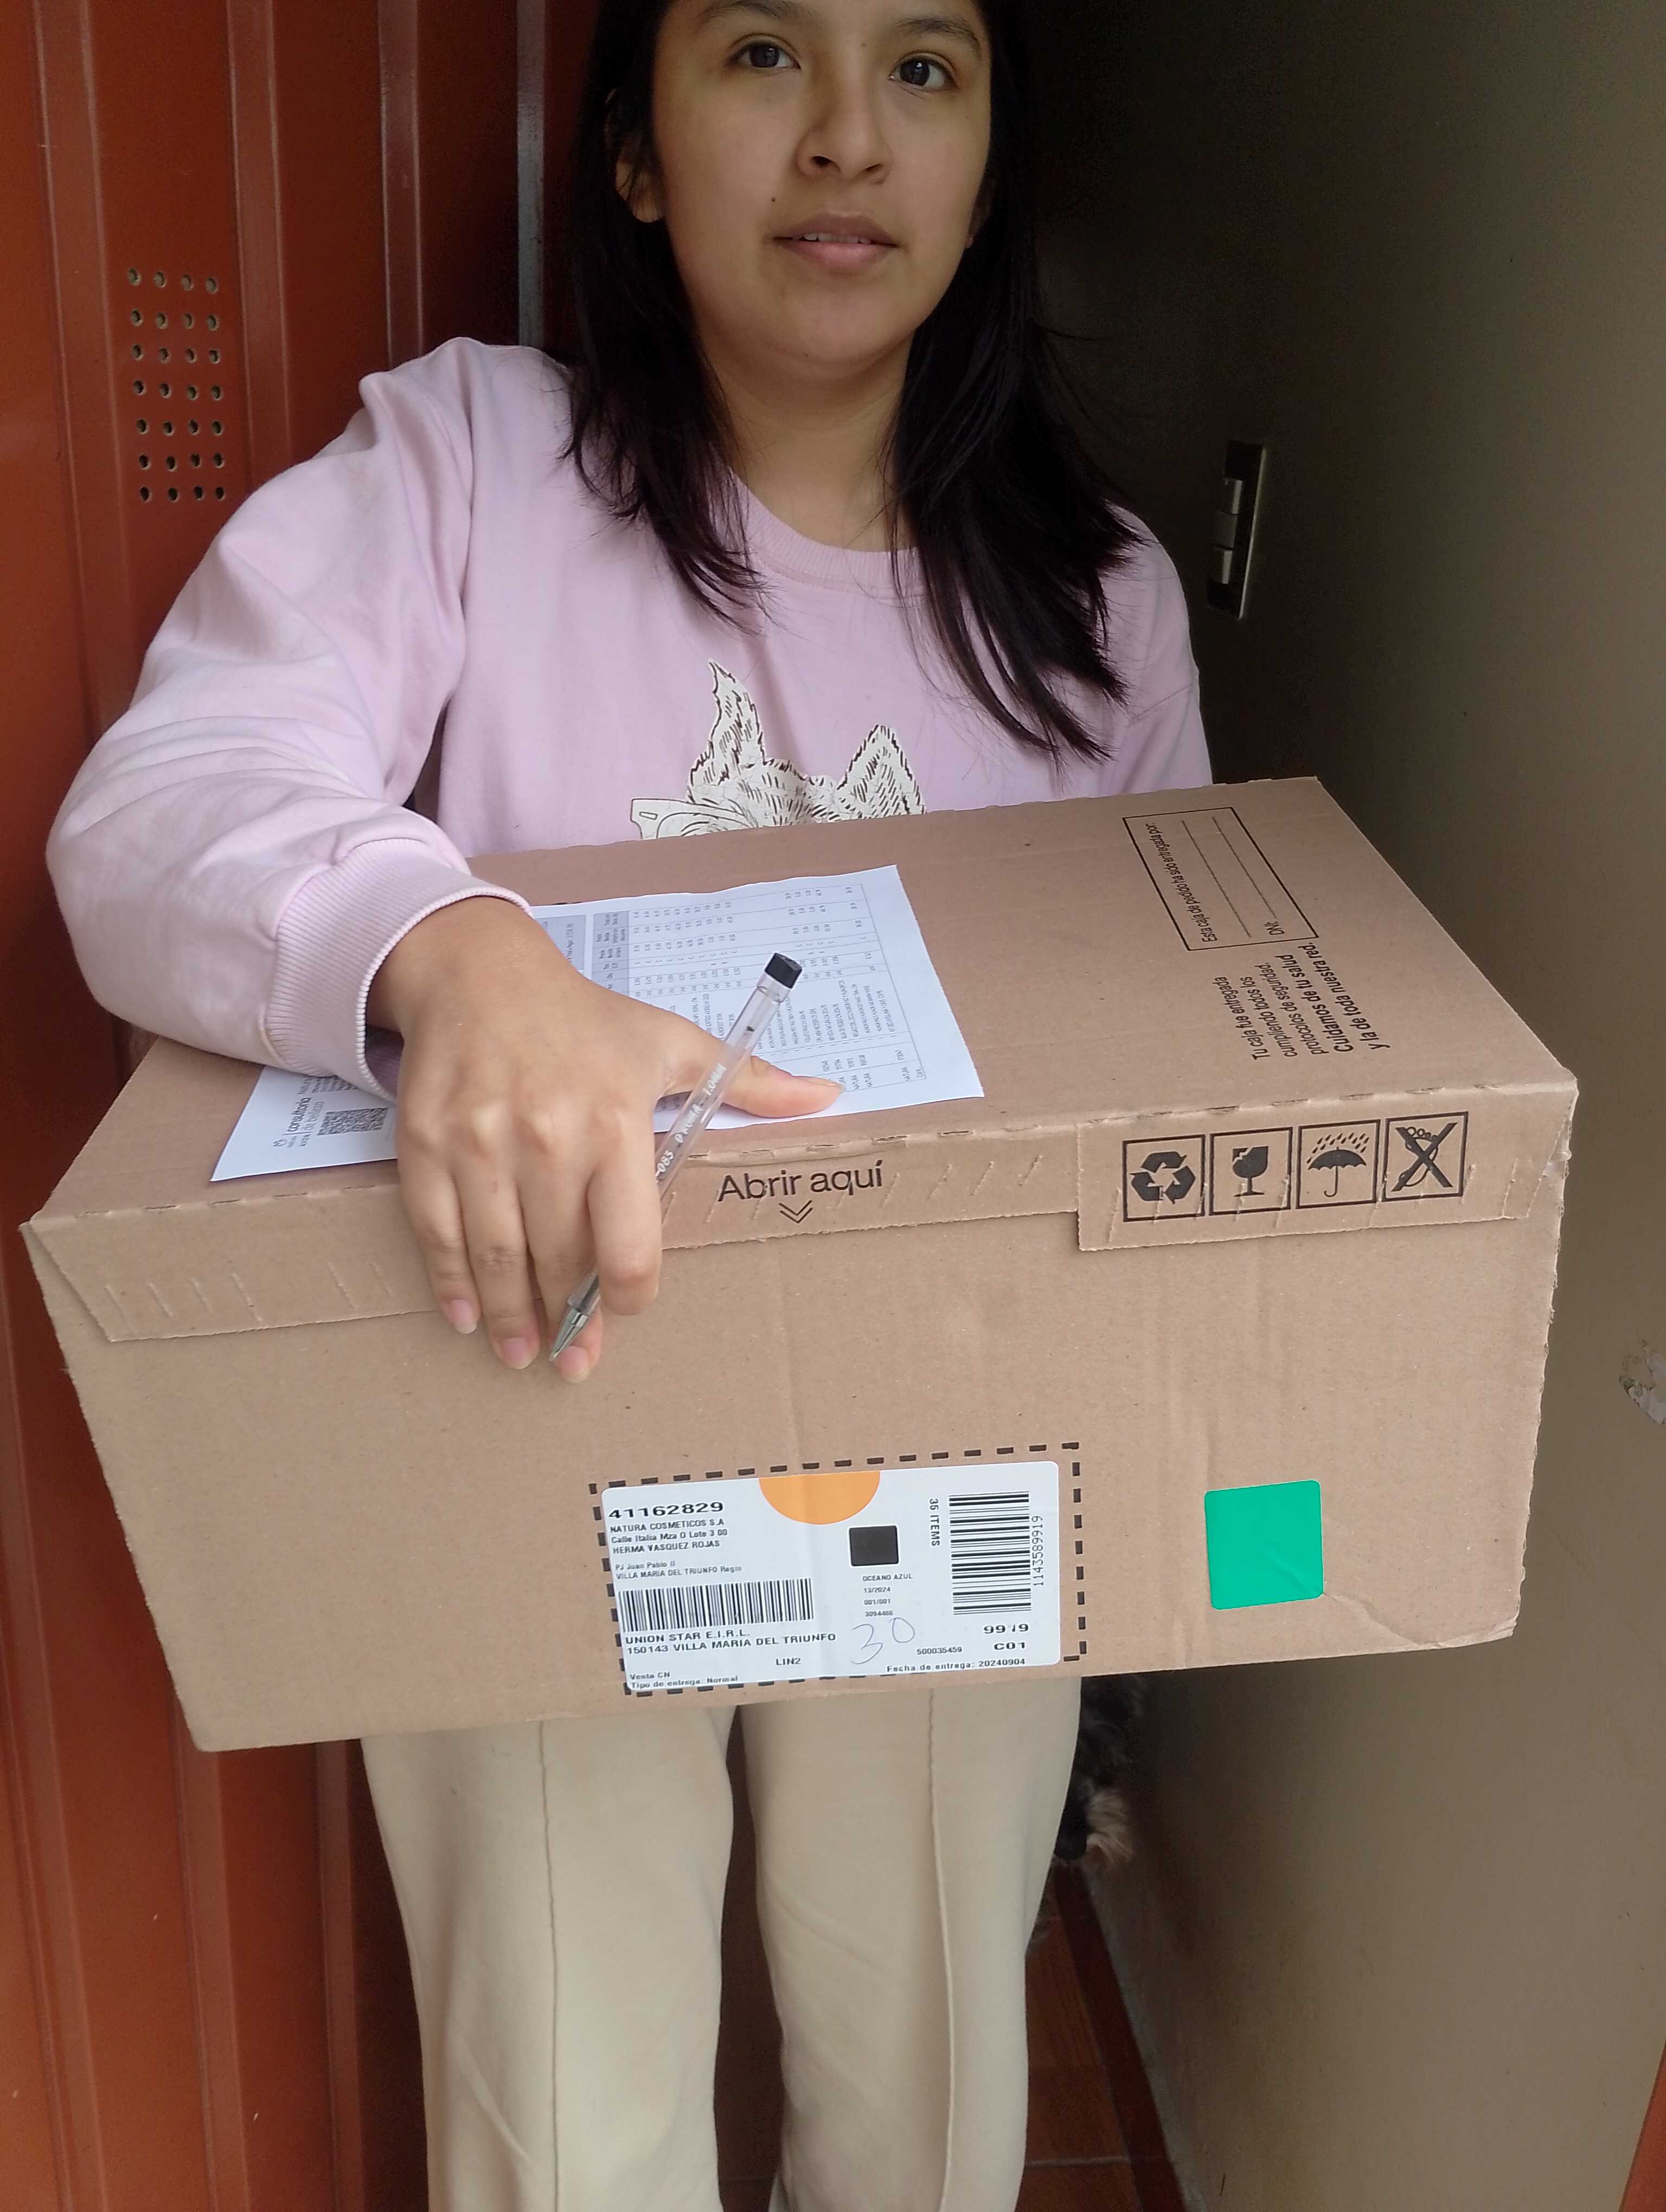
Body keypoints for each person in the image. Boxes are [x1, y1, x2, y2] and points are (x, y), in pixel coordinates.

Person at [48, 2, 1209, 2206]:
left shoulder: (1100, 601)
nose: (849, 138)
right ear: (636, 151)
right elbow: (160, 806)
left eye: (927, 69)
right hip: (531, 1376)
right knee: (567, 2116)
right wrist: (453, 952)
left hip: (957, 1426)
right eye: (764, 52)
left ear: (992, 164)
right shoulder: (473, 472)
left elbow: (1165, 1029)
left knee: (930, 2086)